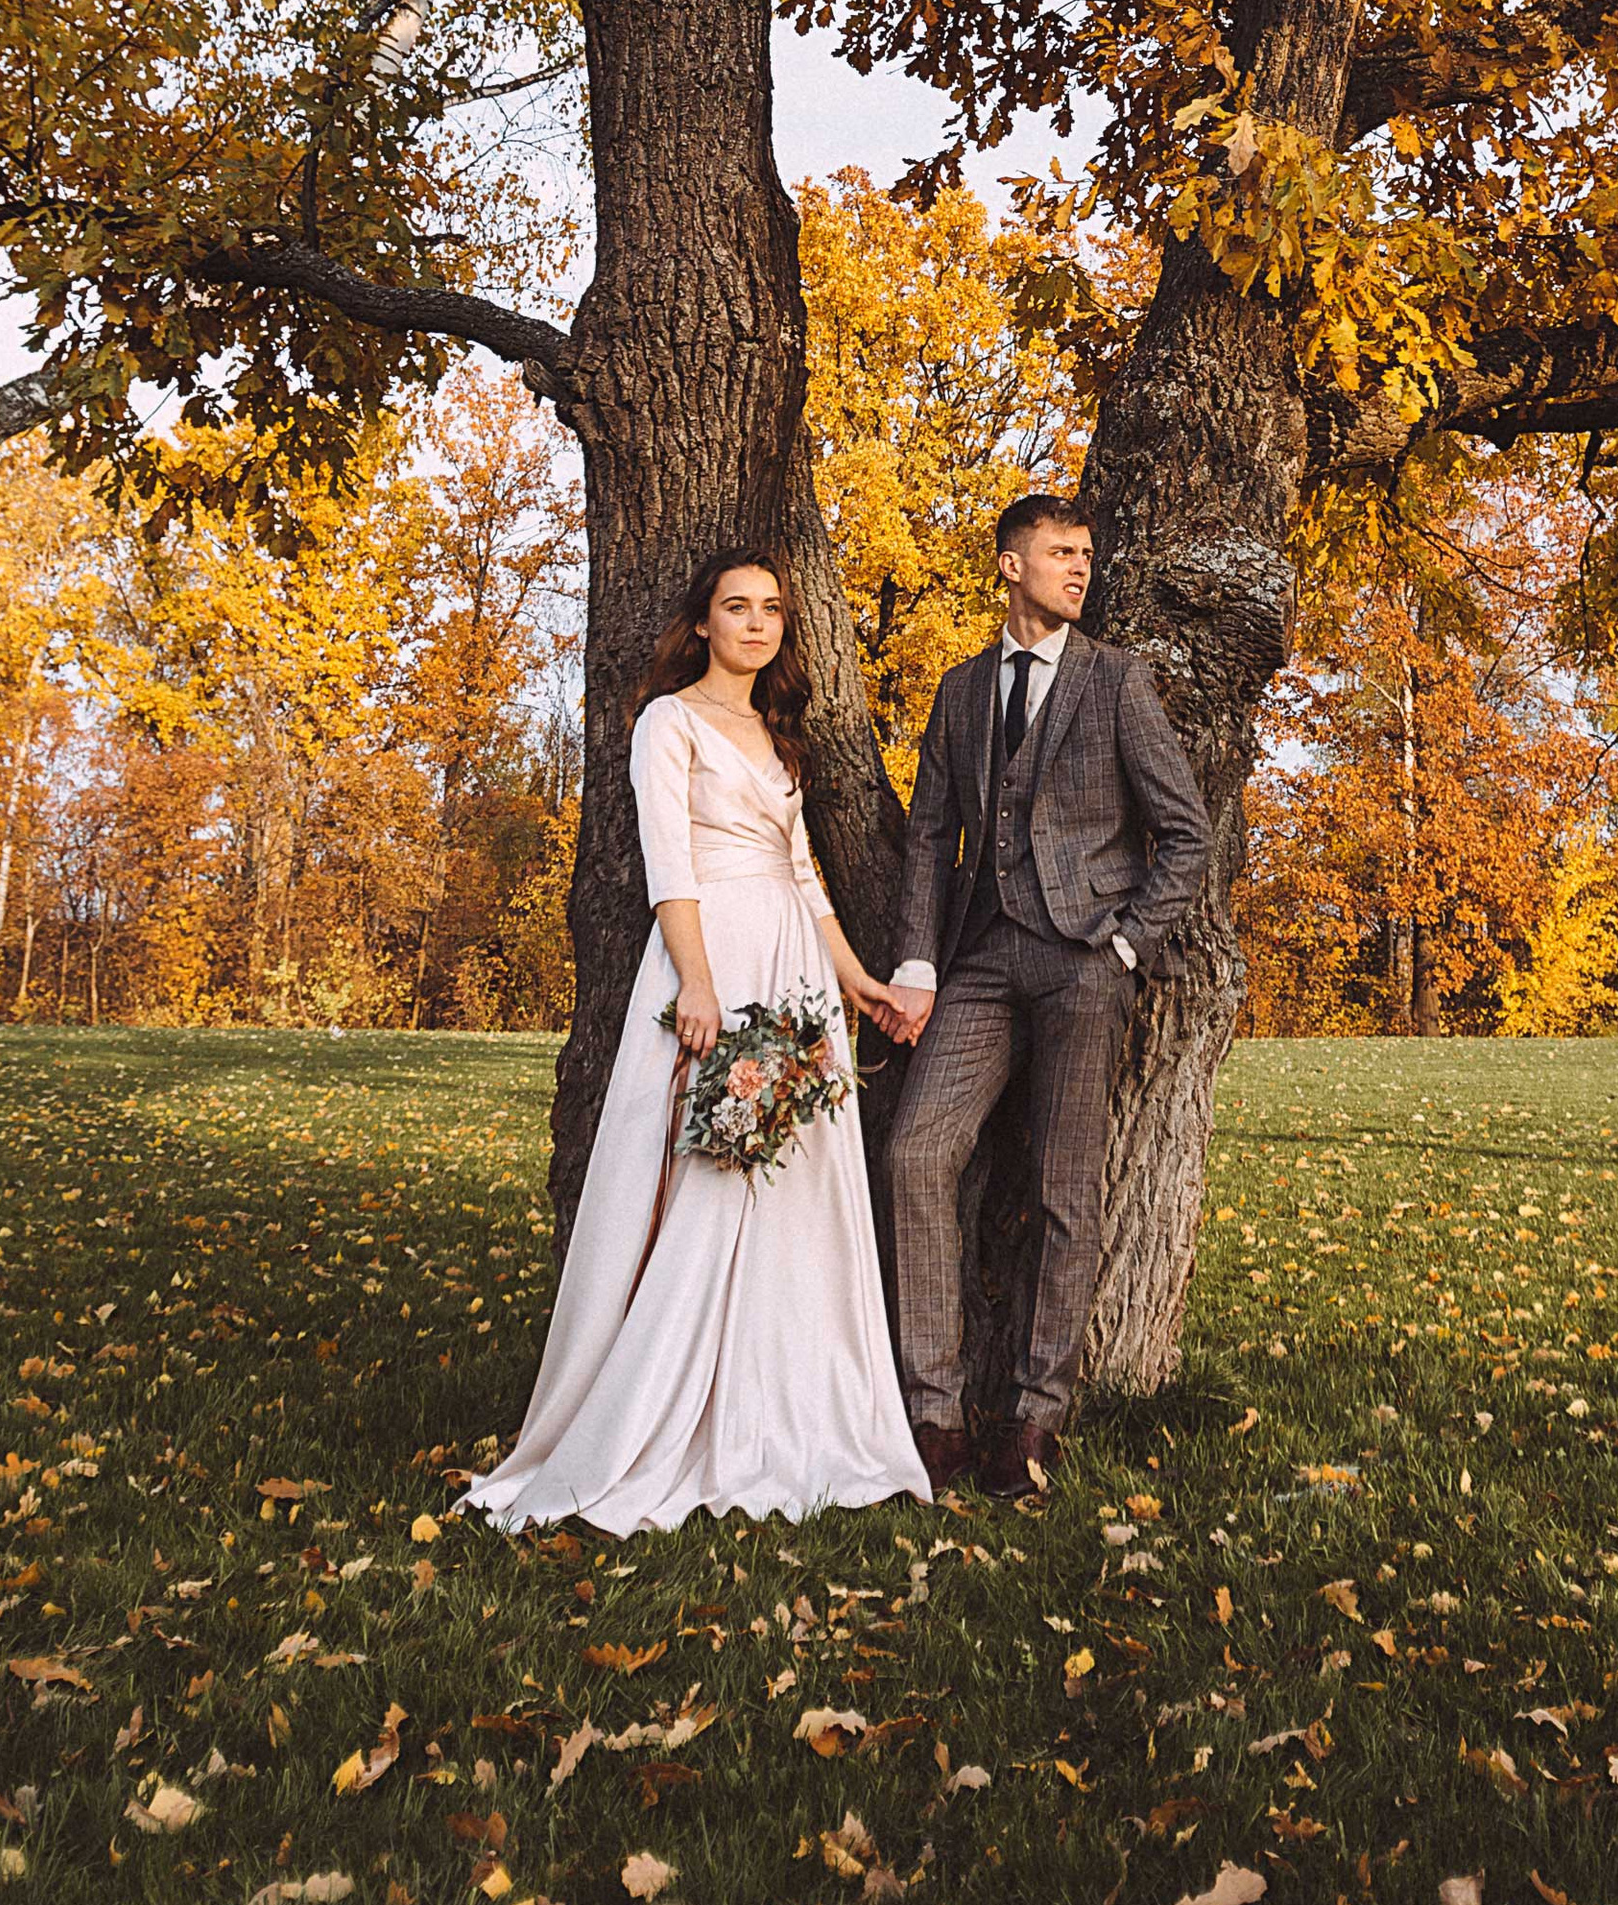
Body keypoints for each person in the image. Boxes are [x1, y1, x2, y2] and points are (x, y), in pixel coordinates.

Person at [465, 553, 929, 1534]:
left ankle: (783, 1405)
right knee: (703, 1173)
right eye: (737, 607)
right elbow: (668, 864)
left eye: (771, 609)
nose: (757, 624)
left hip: (793, 965)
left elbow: (802, 873)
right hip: (710, 950)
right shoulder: (667, 722)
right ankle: (659, 1405)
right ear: (704, 623)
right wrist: (700, 983)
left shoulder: (779, 735)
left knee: (793, 1182)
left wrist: (854, 979)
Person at [873, 493, 1209, 1498]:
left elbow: (1185, 833)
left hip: (1081, 964)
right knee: (915, 1153)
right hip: (978, 960)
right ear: (1010, 565)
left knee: (1065, 1190)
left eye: (1086, 555)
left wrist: (1125, 947)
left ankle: (1033, 1418)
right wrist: (918, 963)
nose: (1079, 569)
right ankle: (931, 1416)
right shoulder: (963, 689)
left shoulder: (1117, 681)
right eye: (1061, 552)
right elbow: (930, 839)